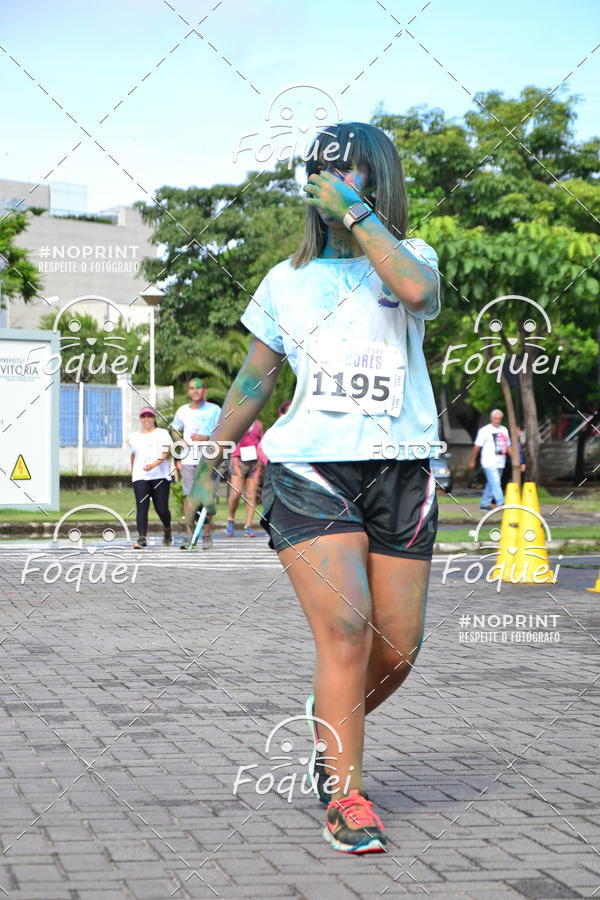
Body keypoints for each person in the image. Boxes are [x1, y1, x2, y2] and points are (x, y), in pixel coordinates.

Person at [187, 122, 441, 853]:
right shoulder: (285, 280)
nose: (326, 180)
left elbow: (419, 293)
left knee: (399, 649)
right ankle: (345, 795)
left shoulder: (412, 256)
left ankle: (327, 728)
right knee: (346, 630)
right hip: (309, 469)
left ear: (377, 179)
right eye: (318, 169)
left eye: (346, 169)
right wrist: (209, 456)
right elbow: (255, 378)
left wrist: (356, 214)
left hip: (404, 467)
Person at [171, 377, 221, 550]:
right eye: (192, 388)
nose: (195, 391)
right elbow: (175, 429)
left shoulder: (214, 410)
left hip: (209, 460)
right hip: (188, 460)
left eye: (198, 388)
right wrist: (179, 440)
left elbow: (223, 431)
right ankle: (190, 535)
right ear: (188, 391)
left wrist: (206, 438)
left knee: (207, 498)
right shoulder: (182, 411)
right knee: (188, 497)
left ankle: (206, 535)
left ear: (204, 390)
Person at [129, 407, 172, 549]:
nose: (146, 419)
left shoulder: (162, 433)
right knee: (142, 507)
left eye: (149, 416)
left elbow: (165, 452)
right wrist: (133, 472)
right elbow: (133, 456)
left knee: (162, 509)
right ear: (140, 419)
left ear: (154, 418)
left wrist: (153, 465)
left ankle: (167, 528)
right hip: (140, 476)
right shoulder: (134, 436)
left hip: (160, 476)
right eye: (144, 416)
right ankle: (142, 538)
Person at [226, 420, 264, 537]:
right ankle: (231, 518)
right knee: (236, 492)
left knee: (251, 495)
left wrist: (261, 461)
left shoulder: (258, 424)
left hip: (254, 462)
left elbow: (262, 443)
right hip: (239, 461)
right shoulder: (238, 421)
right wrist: (234, 458)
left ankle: (248, 526)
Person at [469, 409, 511, 509]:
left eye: (499, 419)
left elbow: (508, 446)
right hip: (488, 462)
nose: (498, 421)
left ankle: (484, 503)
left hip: (501, 462)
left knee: (491, 483)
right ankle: (501, 502)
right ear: (491, 418)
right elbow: (477, 447)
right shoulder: (484, 430)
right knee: (496, 482)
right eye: (496, 418)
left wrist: (516, 460)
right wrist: (472, 460)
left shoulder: (504, 430)